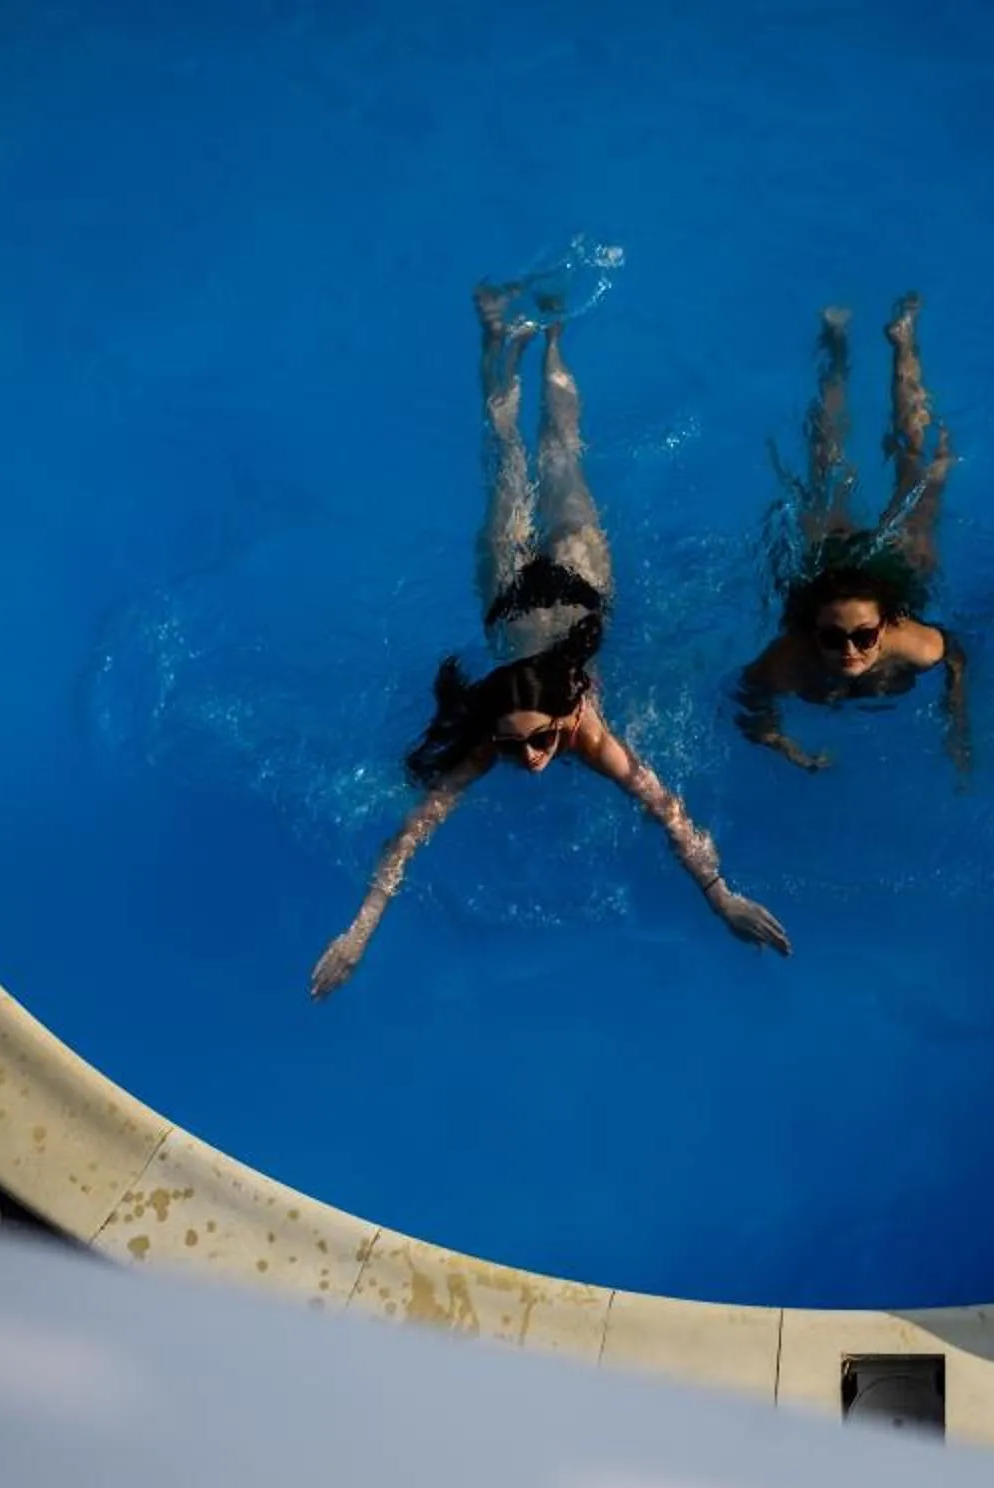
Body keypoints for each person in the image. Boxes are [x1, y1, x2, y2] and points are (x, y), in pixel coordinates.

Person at [308, 287, 790, 998]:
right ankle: (498, 332)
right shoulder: (498, 737)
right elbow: (413, 834)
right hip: (536, 597)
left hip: (565, 583)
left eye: (538, 742)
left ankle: (557, 336)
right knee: (503, 448)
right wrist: (357, 932)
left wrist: (722, 897)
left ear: (567, 716)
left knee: (556, 451)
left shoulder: (587, 735)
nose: (530, 759)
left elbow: (670, 813)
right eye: (514, 746)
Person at [734, 295, 969, 775]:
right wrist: (789, 750)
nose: (850, 650)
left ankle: (903, 342)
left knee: (910, 459)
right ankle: (835, 345)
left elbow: (956, 658)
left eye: (864, 636)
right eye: (833, 637)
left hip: (864, 564)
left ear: (885, 627)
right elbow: (750, 700)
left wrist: (955, 716)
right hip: (845, 569)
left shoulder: (915, 644)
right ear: (810, 631)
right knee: (833, 463)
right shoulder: (787, 661)